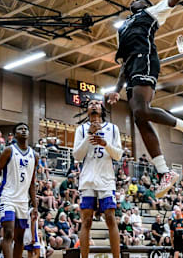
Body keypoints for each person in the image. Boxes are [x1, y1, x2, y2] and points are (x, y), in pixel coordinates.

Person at [104, 0, 183, 197]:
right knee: (139, 117)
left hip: (146, 61)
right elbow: (125, 62)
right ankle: (163, 172)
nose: (133, 0)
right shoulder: (122, 30)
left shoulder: (151, 12)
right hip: (132, 68)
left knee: (142, 109)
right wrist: (117, 90)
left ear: (146, 4)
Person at [73, 98, 123, 258]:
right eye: (90, 104)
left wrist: (105, 143)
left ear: (102, 109)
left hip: (106, 179)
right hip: (87, 180)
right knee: (86, 221)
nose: (93, 105)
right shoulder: (81, 129)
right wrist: (89, 135)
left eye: (97, 103)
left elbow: (118, 155)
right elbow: (77, 156)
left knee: (110, 218)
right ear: (87, 110)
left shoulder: (113, 129)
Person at [0, 122, 38, 258]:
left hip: (23, 201)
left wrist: (35, 205)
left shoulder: (34, 155)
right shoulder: (9, 150)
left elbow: (32, 182)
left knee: (20, 239)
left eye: (26, 129)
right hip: (8, 197)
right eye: (20, 129)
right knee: (8, 233)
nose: (23, 131)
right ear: (14, 135)